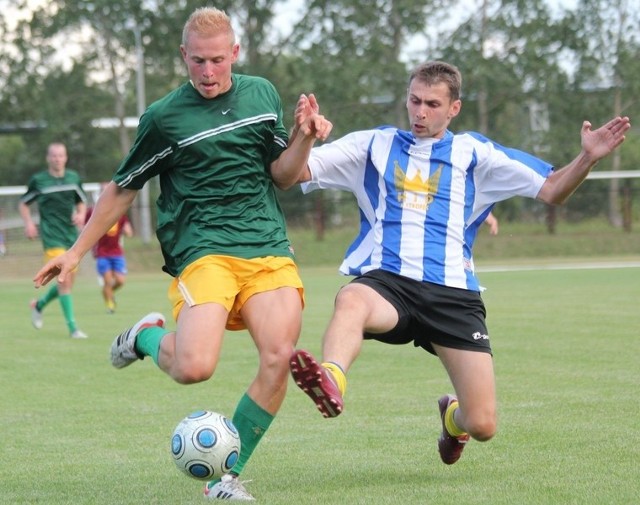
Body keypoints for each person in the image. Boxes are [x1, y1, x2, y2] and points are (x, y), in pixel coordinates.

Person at [33, 7, 331, 501]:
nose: (209, 72)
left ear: (234, 53)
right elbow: (122, 188)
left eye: (217, 60)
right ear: (183, 57)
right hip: (203, 249)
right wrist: (74, 252)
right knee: (194, 367)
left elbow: (285, 175)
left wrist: (303, 137)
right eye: (198, 62)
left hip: (266, 244)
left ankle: (224, 480)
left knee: (278, 356)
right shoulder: (164, 118)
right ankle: (146, 337)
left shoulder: (262, 95)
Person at [287, 61, 630, 466]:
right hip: (388, 285)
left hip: (453, 296)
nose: (420, 112)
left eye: (432, 103)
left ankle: (453, 419)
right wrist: (303, 136)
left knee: (483, 424)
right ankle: (331, 378)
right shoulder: (373, 145)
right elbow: (295, 171)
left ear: (454, 108)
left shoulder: (476, 154)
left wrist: (586, 158)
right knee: (352, 300)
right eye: (414, 101)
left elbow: (553, 189)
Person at [19, 142, 89, 339]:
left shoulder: (74, 178)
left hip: (71, 239)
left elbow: (81, 201)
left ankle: (39, 305)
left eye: (61, 155)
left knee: (66, 284)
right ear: (48, 158)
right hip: (51, 239)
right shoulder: (39, 180)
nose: (57, 159)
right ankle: (73, 329)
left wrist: (81, 214)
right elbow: (23, 204)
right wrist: (29, 223)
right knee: (64, 281)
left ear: (66, 157)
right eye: (54, 156)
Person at [86, 184, 134, 314]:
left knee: (120, 281)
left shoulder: (119, 211)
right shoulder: (93, 211)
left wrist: (128, 231)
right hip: (102, 253)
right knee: (107, 280)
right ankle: (110, 305)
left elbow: (128, 229)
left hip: (117, 252)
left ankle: (107, 292)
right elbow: (86, 228)